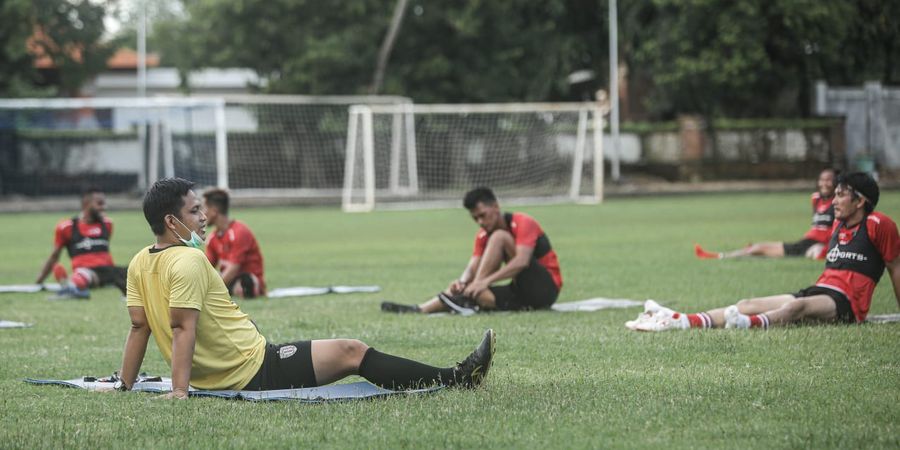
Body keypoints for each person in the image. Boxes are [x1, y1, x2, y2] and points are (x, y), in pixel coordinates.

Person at [115, 178, 495, 398]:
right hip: (253, 369)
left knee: (348, 351)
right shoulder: (189, 259)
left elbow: (139, 328)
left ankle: (455, 378)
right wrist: (180, 392)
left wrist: (124, 385)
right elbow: (182, 329)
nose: (203, 218)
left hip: (235, 368)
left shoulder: (140, 260)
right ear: (171, 220)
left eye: (202, 209)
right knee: (352, 351)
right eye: (194, 211)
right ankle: (457, 380)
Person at [629, 172, 899, 331]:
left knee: (796, 306)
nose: (835, 201)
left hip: (847, 305)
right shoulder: (839, 224)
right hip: (820, 290)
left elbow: (895, 267)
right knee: (746, 303)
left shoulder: (879, 225)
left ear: (861, 200)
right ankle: (679, 321)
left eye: (841, 195)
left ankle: (748, 324)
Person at [381, 187, 562, 315]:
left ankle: (467, 297)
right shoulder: (483, 235)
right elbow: (473, 264)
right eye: (475, 218)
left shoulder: (522, 222)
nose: (480, 222)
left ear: (496, 207)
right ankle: (420, 309)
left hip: (546, 289)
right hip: (522, 294)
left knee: (499, 237)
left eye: (483, 215)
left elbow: (522, 261)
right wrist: (461, 282)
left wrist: (483, 281)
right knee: (482, 295)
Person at [695, 168, 838, 259]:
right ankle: (736, 254)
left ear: (836, 182)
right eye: (822, 180)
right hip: (806, 242)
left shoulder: (837, 202)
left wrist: (827, 246)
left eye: (828, 180)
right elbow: (815, 225)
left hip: (818, 243)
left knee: (759, 248)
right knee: (759, 249)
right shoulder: (816, 199)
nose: (824, 183)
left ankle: (721, 256)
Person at [34, 187, 127, 299]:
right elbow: (54, 257)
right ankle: (70, 287)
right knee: (83, 276)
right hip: (87, 271)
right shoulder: (66, 227)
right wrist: (39, 281)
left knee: (133, 270)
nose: (104, 207)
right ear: (86, 204)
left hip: (109, 270)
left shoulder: (107, 224)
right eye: (100, 204)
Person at [202, 188, 266, 299]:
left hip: (247, 281)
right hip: (229, 282)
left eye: (204, 208)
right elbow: (206, 267)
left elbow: (233, 269)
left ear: (214, 210)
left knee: (242, 284)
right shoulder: (212, 238)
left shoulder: (239, 232)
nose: (202, 214)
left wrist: (211, 291)